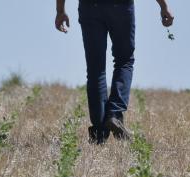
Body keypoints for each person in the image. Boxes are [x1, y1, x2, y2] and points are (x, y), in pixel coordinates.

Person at [55, 0, 174, 144]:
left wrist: (60, 10)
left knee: (95, 70)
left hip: (90, 7)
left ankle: (99, 132)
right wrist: (163, 6)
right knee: (124, 61)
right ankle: (114, 114)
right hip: (121, 6)